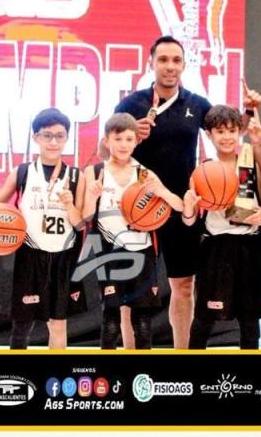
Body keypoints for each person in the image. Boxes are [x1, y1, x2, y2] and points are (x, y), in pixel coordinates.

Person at [114, 35, 261, 348]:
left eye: (176, 60)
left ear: (184, 65)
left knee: (183, 285)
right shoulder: (130, 105)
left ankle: (182, 355)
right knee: (133, 290)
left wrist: (249, 112)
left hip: (184, 206)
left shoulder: (196, 103)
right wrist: (133, 136)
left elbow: (228, 129)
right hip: (140, 205)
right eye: (163, 59)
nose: (170, 66)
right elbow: (108, 153)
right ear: (150, 63)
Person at [81, 113, 184, 349]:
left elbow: (177, 206)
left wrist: (162, 192)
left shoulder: (144, 174)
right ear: (107, 141)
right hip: (108, 250)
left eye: (129, 139)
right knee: (110, 316)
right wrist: (92, 196)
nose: (123, 144)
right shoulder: (96, 172)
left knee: (143, 319)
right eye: (118, 139)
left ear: (137, 141)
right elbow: (86, 217)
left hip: (141, 249)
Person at [0, 108, 87, 349]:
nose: (53, 142)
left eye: (59, 135)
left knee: (58, 324)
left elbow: (80, 224)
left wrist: (69, 205)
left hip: (64, 255)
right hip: (30, 253)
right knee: (22, 324)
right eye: (47, 135)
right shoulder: (22, 172)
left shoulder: (77, 177)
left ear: (67, 138)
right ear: (35, 137)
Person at [182, 105, 261, 349]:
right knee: (203, 320)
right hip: (216, 248)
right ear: (209, 135)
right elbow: (190, 221)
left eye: (232, 130)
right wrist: (188, 209)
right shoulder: (202, 171)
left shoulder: (250, 164)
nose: (227, 136)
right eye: (220, 131)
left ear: (240, 132)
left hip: (248, 247)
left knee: (250, 323)